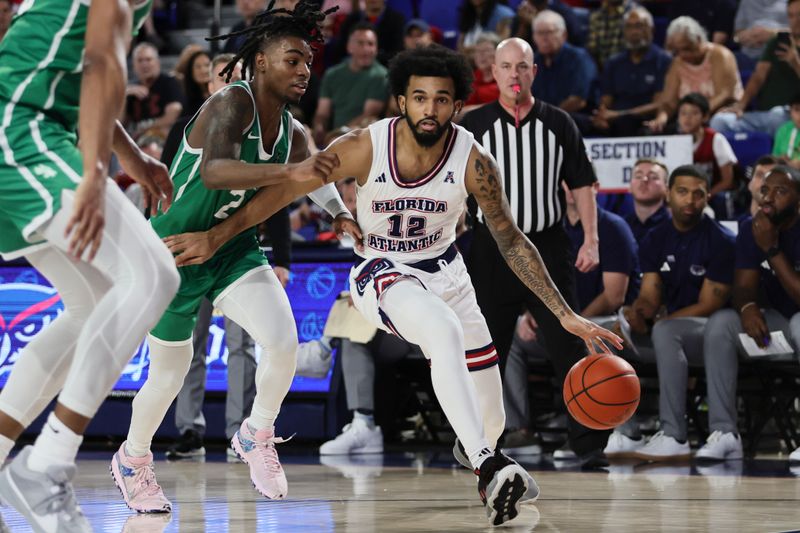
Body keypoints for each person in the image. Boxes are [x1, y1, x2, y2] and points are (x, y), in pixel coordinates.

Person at [163, 44, 623, 526]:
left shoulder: (474, 159)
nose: (430, 109)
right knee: (441, 333)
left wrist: (564, 313)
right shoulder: (365, 144)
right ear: (401, 101)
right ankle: (490, 468)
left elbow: (512, 239)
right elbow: (287, 188)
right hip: (382, 271)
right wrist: (219, 236)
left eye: (441, 99)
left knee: (491, 422)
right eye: (419, 98)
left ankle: (480, 452)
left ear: (457, 105)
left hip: (448, 274)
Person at [109, 1, 359, 512]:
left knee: (284, 341)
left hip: (231, 248)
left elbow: (314, 174)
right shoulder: (232, 103)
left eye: (309, 61)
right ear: (261, 61)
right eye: (293, 59)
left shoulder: (291, 130)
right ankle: (132, 460)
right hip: (174, 252)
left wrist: (337, 214)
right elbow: (215, 172)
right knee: (169, 375)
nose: (305, 70)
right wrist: (291, 175)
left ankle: (256, 433)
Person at [0, 1, 180, 531]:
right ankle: (46, 466)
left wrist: (127, 153)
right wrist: (95, 170)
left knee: (92, 306)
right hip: (21, 129)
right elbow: (102, 60)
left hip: (34, 125)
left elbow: (80, 66)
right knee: (153, 276)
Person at [457, 37, 610, 467]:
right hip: (491, 249)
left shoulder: (560, 123)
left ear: (533, 72)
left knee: (569, 343)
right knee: (486, 350)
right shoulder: (474, 125)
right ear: (494, 73)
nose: (514, 75)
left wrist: (592, 239)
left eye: (522, 66)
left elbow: (582, 182)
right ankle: (480, 447)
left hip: (546, 244)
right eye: (505, 67)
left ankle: (589, 444)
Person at [611, 165, 736, 460]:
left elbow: (709, 304)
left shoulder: (721, 240)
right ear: (668, 194)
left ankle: (674, 434)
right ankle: (627, 431)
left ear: (707, 198)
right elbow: (650, 294)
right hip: (666, 332)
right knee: (604, 331)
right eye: (682, 192)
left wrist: (659, 322)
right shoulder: (655, 238)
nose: (690, 200)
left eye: (698, 194)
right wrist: (637, 313)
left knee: (666, 331)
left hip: (709, 336)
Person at [700, 165, 800, 461]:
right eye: (765, 190)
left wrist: (770, 249)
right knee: (721, 324)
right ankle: (725, 433)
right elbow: (744, 286)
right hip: (775, 331)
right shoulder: (749, 227)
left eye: (780, 192)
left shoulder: (774, 234)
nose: (768, 198)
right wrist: (746, 307)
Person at [712, 0, 800, 137]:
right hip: (763, 116)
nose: (795, 21)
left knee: (778, 116)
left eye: (799, 15)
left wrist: (795, 63)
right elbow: (758, 76)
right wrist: (741, 105)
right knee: (719, 122)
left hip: (790, 115)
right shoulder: (777, 42)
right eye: (791, 16)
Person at [647, 16, 743, 133]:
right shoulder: (678, 63)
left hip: (720, 115)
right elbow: (669, 103)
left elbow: (725, 94)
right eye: (677, 51)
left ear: (698, 40)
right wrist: (661, 118)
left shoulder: (719, 55)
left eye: (687, 49)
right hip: (689, 122)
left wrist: (696, 115)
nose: (682, 55)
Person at [592, 6, 672, 137]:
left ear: (651, 29)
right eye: (629, 27)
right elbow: (606, 101)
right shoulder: (613, 62)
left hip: (646, 122)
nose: (634, 32)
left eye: (639, 26)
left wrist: (622, 114)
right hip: (616, 122)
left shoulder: (664, 60)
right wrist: (602, 117)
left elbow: (660, 104)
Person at [312, 23, 389, 147]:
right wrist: (319, 128)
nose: (366, 49)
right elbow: (322, 112)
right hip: (332, 138)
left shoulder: (381, 76)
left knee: (368, 122)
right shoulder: (332, 74)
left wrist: (337, 136)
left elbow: (368, 116)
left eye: (370, 44)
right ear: (349, 47)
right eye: (360, 43)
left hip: (360, 138)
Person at [677, 93, 738, 218]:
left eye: (694, 113)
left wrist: (703, 196)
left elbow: (728, 181)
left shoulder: (716, 139)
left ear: (705, 117)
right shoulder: (673, 142)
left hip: (712, 195)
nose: (687, 118)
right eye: (683, 113)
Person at [531, 10, 597, 114]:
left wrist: (547, 117)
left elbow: (578, 101)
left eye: (549, 32)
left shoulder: (579, 59)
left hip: (574, 120)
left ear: (564, 35)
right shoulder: (533, 61)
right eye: (539, 33)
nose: (544, 38)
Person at [123, 42, 185, 140]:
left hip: (161, 136)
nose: (144, 64)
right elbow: (121, 122)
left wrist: (146, 129)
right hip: (136, 138)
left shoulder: (169, 82)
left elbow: (173, 114)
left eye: (148, 59)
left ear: (157, 62)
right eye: (140, 60)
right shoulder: (131, 88)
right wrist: (124, 95)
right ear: (134, 65)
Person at [624, 159, 671, 244]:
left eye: (653, 177)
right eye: (638, 176)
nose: (644, 180)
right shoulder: (622, 226)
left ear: (666, 189)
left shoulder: (676, 226)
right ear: (630, 187)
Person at [586, 0, 638, 69]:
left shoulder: (635, 15)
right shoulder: (596, 16)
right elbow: (592, 50)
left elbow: (636, 54)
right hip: (601, 71)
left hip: (626, 70)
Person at [772, 92, 800, 168]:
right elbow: (774, 158)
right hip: (784, 172)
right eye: (797, 109)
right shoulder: (783, 130)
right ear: (790, 111)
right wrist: (780, 159)